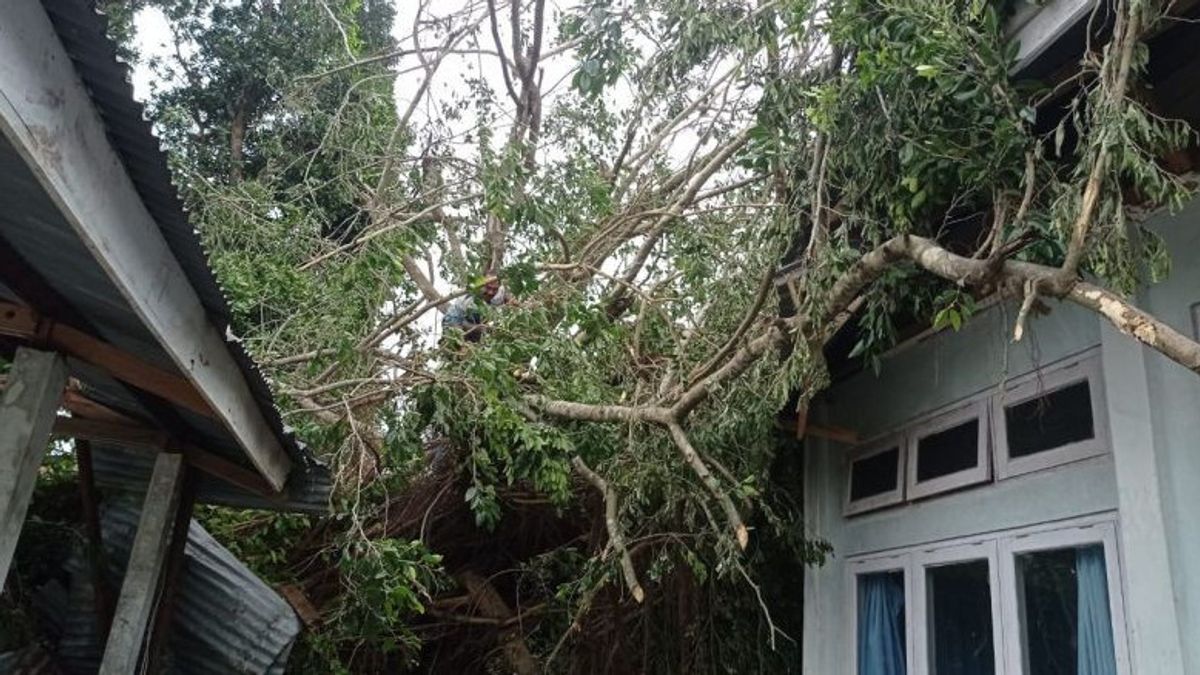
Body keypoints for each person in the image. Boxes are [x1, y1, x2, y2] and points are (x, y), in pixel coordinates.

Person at [442, 276, 508, 342]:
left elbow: (506, 298)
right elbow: (458, 322)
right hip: (454, 323)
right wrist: (480, 328)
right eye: (488, 288)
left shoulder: (499, 292)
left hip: (477, 327)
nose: (491, 292)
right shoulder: (467, 300)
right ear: (481, 286)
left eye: (495, 289)